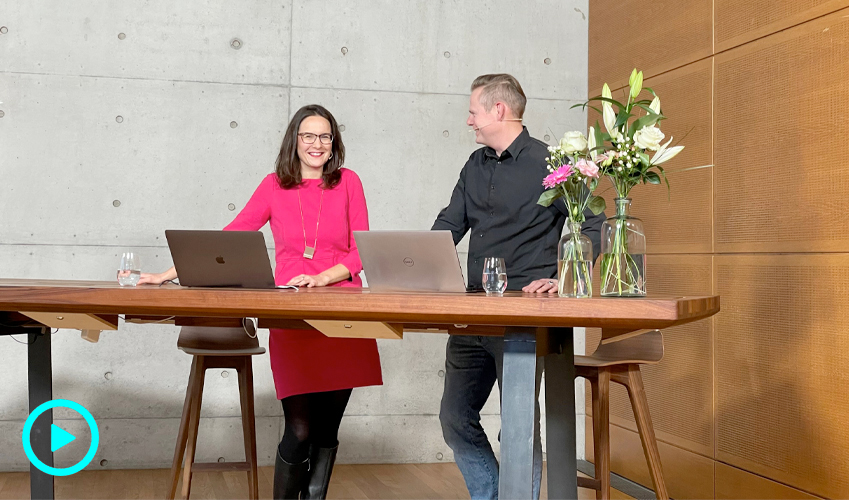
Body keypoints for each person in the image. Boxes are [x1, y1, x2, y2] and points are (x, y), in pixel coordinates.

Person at [140, 104, 382, 499]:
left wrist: (323, 277)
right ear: (295, 140)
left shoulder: (348, 182)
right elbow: (230, 238)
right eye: (308, 136)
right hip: (290, 312)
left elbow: (361, 250)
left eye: (325, 136)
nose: (316, 144)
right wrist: (166, 273)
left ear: (333, 142)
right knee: (300, 429)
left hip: (343, 312)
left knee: (326, 430)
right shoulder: (275, 186)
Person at [432, 74, 604, 499]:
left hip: (524, 317)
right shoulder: (474, 165)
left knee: (519, 426)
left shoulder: (551, 164)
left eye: (473, 111)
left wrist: (563, 275)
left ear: (498, 110)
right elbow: (449, 225)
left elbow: (594, 224)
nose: (469, 120)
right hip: (471, 315)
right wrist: (417, 260)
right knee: (454, 418)